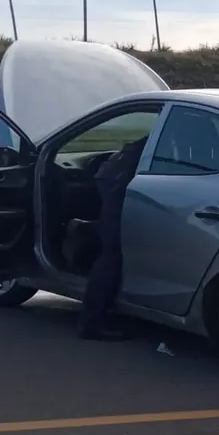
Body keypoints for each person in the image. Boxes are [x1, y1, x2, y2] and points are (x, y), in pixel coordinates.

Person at [78, 134, 150, 341]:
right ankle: (92, 323)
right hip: (120, 182)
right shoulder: (186, 127)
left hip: (118, 178)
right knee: (112, 254)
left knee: (112, 252)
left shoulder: (182, 126)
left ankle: (96, 319)